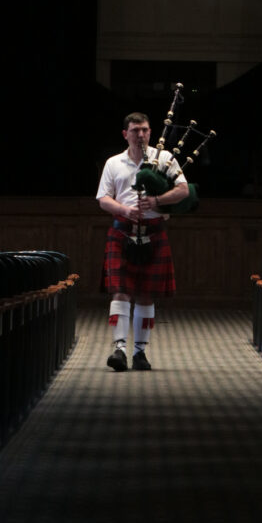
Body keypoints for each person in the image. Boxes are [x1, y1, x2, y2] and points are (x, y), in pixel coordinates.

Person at [96, 111, 189, 371]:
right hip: (122, 231)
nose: (141, 135)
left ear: (151, 132)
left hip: (154, 231)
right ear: (125, 134)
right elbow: (103, 198)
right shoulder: (113, 163)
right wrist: (125, 210)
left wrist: (156, 202)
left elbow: (183, 190)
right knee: (121, 292)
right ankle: (120, 349)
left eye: (145, 130)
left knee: (147, 295)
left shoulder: (165, 158)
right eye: (135, 130)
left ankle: (140, 353)